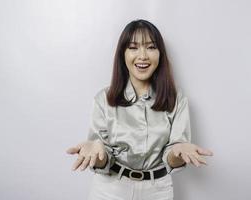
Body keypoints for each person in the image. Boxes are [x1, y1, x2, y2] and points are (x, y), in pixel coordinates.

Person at [66, 19, 213, 200]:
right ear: (123, 54)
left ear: (160, 54)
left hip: (158, 190)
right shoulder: (103, 98)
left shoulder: (176, 98)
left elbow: (171, 159)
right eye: (133, 47)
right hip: (110, 190)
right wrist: (98, 152)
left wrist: (177, 151)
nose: (142, 56)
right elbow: (102, 159)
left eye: (151, 47)